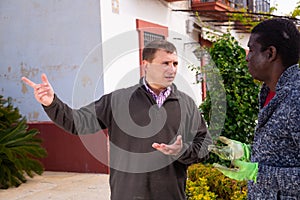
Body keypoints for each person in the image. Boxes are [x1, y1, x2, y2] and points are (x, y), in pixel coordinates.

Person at [22, 39, 212, 200]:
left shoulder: (186, 104)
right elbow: (76, 122)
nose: (172, 69)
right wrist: (51, 102)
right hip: (127, 194)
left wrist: (182, 150)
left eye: (175, 64)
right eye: (165, 63)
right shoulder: (118, 100)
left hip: (171, 194)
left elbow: (205, 145)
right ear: (146, 64)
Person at [209, 18, 300, 199]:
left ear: (270, 53)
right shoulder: (270, 92)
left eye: (251, 50)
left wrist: (257, 173)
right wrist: (248, 151)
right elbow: (286, 151)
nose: (247, 57)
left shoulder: (296, 98)